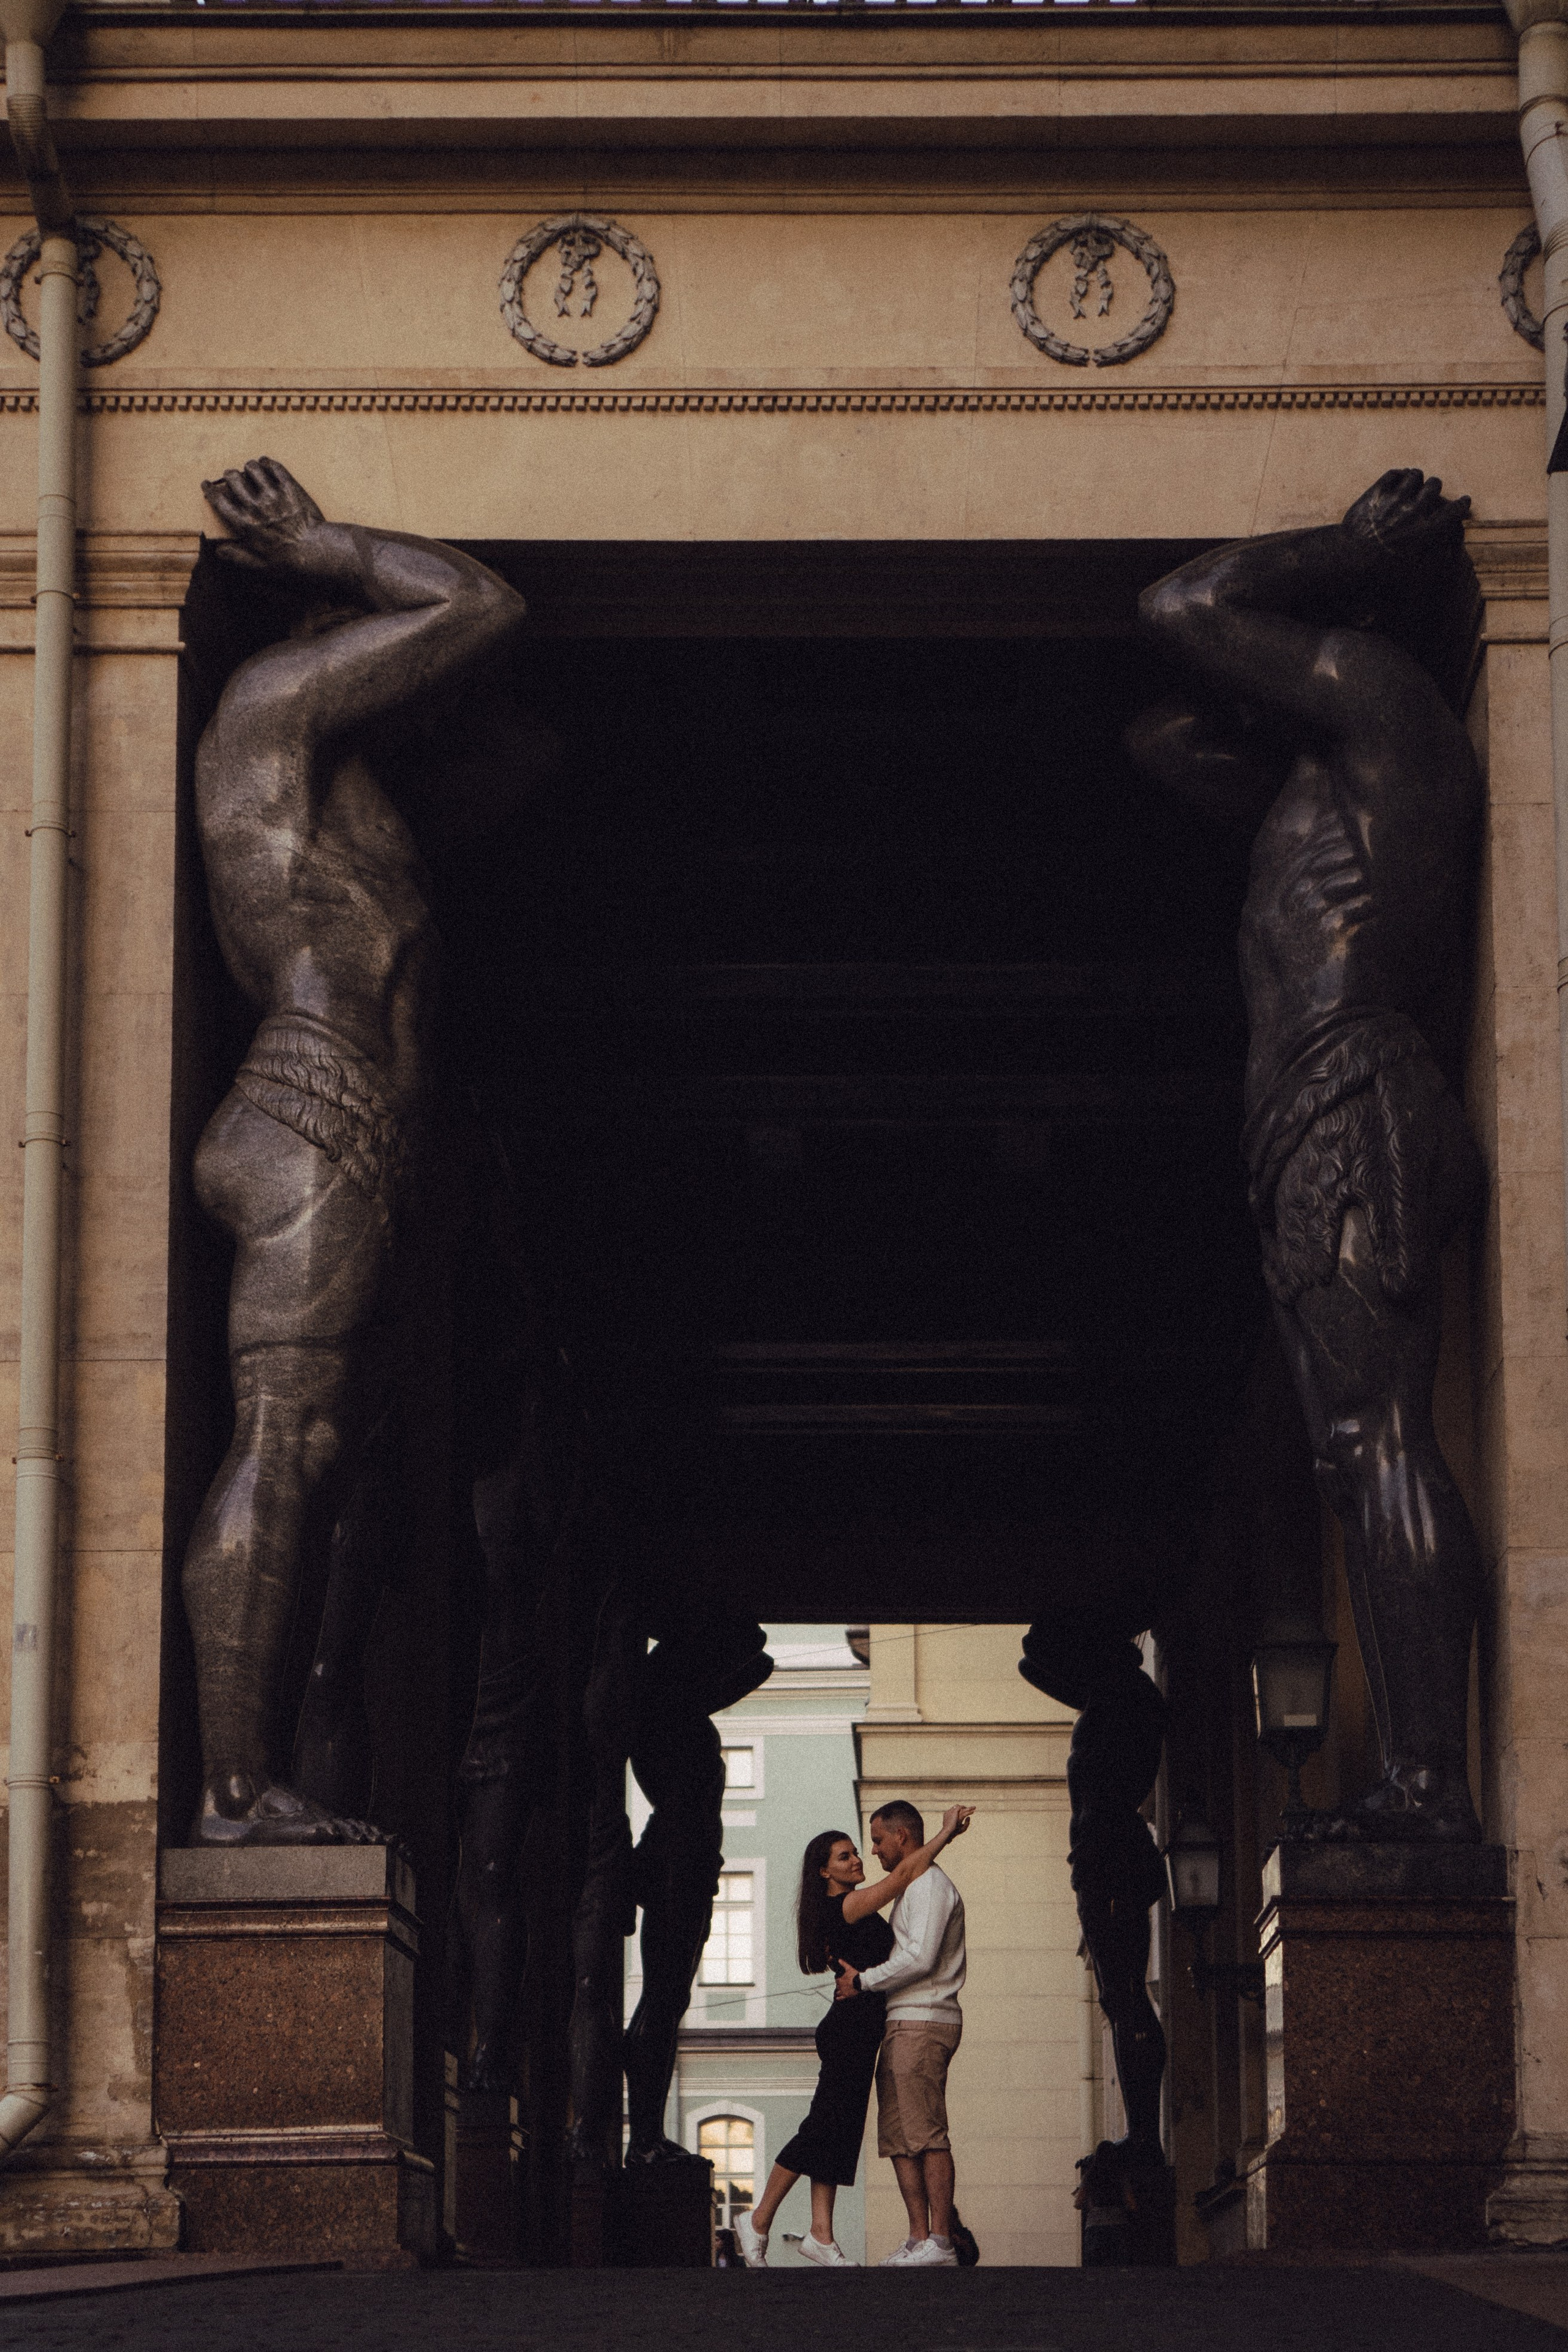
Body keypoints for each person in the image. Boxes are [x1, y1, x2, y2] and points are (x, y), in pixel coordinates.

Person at [1131, 469, 1485, 1842]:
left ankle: (1429, 1786)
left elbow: (1182, 604)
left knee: (1375, 1437)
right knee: (1351, 1454)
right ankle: (1415, 1776)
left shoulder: (1385, 705)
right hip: (1308, 1118)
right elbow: (1163, 733)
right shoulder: (1319, 771)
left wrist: (1334, 553)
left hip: (1352, 1096)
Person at [184, 456, 526, 1845]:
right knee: (288, 1437)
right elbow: (476, 602)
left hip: (346, 1128)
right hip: (310, 1107)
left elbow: (520, 755)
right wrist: (329, 547)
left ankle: (246, 1773)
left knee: (327, 1464)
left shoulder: (348, 789)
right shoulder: (273, 703)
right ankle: (226, 1789)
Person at [734, 1804, 972, 2269]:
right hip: (849, 2031)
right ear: (824, 1872)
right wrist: (945, 1834)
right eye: (845, 1857)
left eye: (859, 1851)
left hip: (865, 2030)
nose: (859, 1859)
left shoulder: (848, 1905)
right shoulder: (844, 1905)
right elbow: (902, 1876)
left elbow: (903, 1876)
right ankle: (759, 2219)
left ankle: (821, 2234)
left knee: (839, 2132)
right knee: (822, 2127)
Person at [835, 1798, 970, 2267]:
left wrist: (863, 1981)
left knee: (927, 2132)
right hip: (902, 2021)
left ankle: (942, 2240)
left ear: (902, 1837)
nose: (873, 1852)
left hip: (926, 2019)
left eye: (876, 1840)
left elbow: (921, 1959)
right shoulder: (912, 1884)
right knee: (899, 2136)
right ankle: (919, 2238)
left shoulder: (931, 1886)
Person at [1074, 2140, 1135, 2267]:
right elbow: (1132, 2204)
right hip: (1118, 2226)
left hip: (1095, 2229)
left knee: (1096, 2270)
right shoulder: (1120, 2176)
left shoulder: (1090, 2176)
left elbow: (1078, 2203)